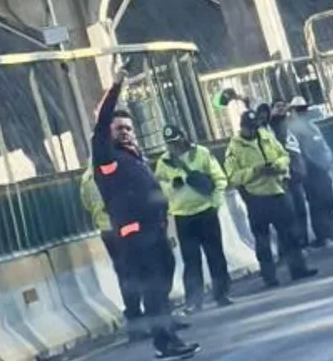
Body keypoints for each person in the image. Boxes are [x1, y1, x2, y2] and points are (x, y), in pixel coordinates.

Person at [90, 65, 199, 359]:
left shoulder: (133, 158)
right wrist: (115, 87)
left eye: (128, 128)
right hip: (134, 234)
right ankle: (166, 342)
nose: (124, 133)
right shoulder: (105, 157)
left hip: (156, 230)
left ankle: (165, 331)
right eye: (118, 128)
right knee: (152, 285)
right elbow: (101, 123)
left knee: (163, 281)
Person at [224, 110, 318, 287]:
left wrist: (277, 166)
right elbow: (233, 176)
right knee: (262, 241)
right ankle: (270, 277)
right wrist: (255, 171)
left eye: (255, 128)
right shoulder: (234, 148)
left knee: (290, 234)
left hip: (278, 192)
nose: (253, 132)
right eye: (249, 129)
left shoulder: (266, 136)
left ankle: (298, 269)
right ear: (242, 128)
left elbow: (284, 155)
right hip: (256, 198)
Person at [154, 124, 232, 313]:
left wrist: (215, 203)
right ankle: (194, 300)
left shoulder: (201, 153)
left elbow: (219, 179)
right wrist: (173, 186)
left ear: (184, 137)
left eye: (176, 141)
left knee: (215, 254)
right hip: (183, 216)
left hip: (206, 212)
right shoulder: (164, 162)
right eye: (169, 143)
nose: (173, 146)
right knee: (191, 260)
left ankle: (221, 293)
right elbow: (158, 187)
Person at [79, 164, 144, 327]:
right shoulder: (115, 171)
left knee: (124, 273)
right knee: (142, 268)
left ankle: (134, 315)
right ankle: (153, 315)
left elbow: (87, 204)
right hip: (126, 227)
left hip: (107, 232)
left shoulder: (87, 179)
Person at [286, 96, 333, 246]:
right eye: (299, 110)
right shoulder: (292, 130)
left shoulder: (311, 126)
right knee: (317, 204)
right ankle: (324, 235)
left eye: (303, 109)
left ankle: (331, 232)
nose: (302, 113)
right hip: (310, 172)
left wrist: (329, 161)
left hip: (322, 169)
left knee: (327, 200)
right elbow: (297, 153)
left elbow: (323, 146)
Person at [267, 100, 310, 249]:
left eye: (283, 106)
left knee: (300, 209)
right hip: (283, 177)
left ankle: (303, 241)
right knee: (288, 213)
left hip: (297, 173)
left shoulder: (292, 125)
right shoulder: (271, 127)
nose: (281, 109)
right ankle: (291, 245)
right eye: (277, 107)